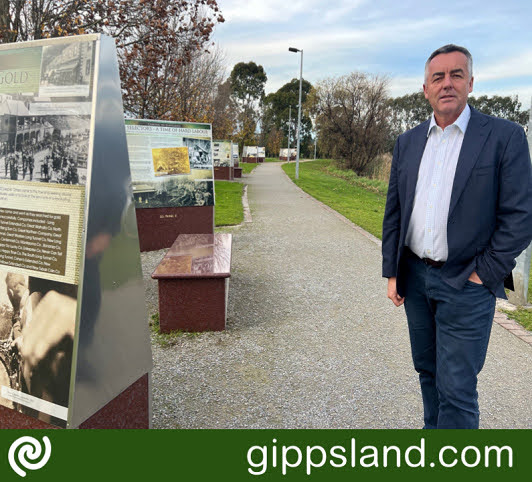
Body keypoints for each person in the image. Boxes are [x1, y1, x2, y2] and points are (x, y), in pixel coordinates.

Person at [382, 44, 532, 429]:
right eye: (438, 77)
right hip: (416, 278)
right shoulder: (408, 142)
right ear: (426, 88)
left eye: (456, 74)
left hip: (467, 281)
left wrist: (485, 273)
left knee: (458, 388)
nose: (447, 83)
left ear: (470, 82)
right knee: (428, 374)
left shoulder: (504, 137)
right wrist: (393, 272)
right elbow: (395, 211)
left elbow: (520, 215)